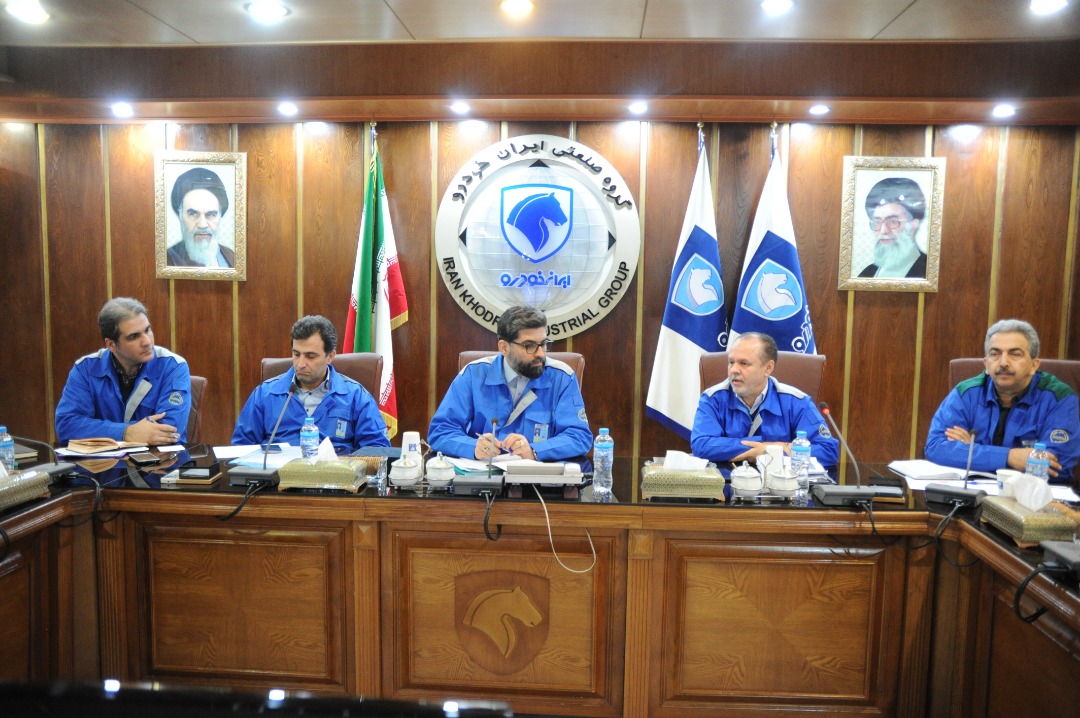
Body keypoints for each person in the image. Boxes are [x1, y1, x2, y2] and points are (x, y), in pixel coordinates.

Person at [428, 305, 592, 461]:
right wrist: (473, 447)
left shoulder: (562, 378)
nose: (540, 353)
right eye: (529, 346)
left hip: (537, 476)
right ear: (504, 348)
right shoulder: (473, 375)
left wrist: (534, 451)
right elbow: (440, 432)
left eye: (543, 344)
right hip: (483, 473)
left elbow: (579, 437)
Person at [925, 319, 1079, 482]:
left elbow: (1056, 467)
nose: (1003, 362)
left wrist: (971, 452)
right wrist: (1010, 457)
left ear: (1034, 365)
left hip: (1031, 495)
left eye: (1015, 354)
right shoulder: (967, 393)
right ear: (986, 364)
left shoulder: (1060, 398)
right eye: (995, 354)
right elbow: (935, 448)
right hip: (974, 491)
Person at [232, 315, 389, 453]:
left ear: (330, 356)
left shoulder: (356, 396)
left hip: (335, 476)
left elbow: (377, 451)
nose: (301, 364)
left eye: (311, 356)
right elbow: (241, 449)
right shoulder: (265, 394)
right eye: (296, 354)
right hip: (277, 476)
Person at [55, 297, 191, 445]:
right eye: (134, 337)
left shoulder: (173, 366)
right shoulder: (85, 369)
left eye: (147, 330)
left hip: (159, 458)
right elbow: (67, 426)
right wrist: (126, 432)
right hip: (102, 459)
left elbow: (170, 430)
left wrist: (105, 431)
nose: (147, 342)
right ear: (111, 345)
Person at [690, 332, 839, 465]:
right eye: (731, 362)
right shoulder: (713, 398)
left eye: (744, 363)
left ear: (768, 368)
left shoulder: (796, 401)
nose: (734, 370)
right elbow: (701, 445)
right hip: (728, 483)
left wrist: (768, 452)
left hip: (781, 483)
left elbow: (828, 450)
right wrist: (766, 447)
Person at [857, 177, 928, 279]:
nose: (883, 231)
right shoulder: (867, 274)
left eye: (893, 221)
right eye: (877, 222)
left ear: (913, 225)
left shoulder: (929, 272)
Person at [167, 167, 235, 268]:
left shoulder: (231, 257)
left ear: (220, 215)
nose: (202, 225)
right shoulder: (167, 261)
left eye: (211, 214)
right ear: (180, 215)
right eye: (193, 214)